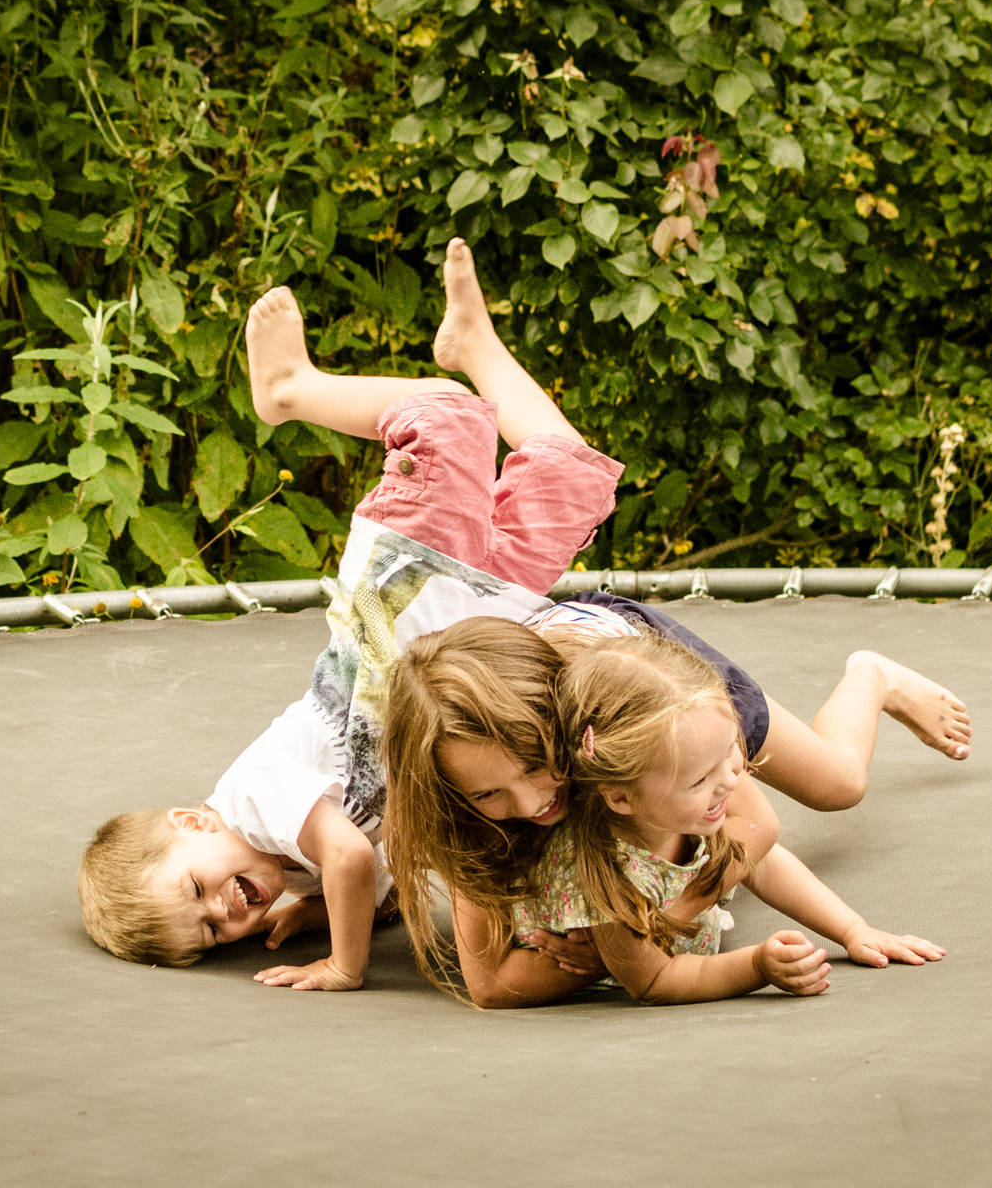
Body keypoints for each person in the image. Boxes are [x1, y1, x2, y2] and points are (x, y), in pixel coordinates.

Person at [78, 238, 625, 989]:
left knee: (448, 416)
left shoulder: (253, 797)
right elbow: (386, 869)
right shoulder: (289, 867)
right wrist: (327, 908)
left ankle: (289, 388)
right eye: (212, 935)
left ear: (192, 824)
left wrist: (343, 959)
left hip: (406, 589)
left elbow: (354, 855)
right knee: (570, 476)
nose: (227, 913)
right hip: (476, 624)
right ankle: (475, 342)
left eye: (197, 890)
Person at [383, 608, 971, 1007]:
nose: (535, 802)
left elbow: (757, 827)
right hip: (548, 686)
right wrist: (608, 955)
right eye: (489, 794)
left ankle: (872, 677)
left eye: (538, 766)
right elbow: (490, 986)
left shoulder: (637, 718)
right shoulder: (453, 788)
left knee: (838, 783)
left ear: (565, 737)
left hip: (635, 662)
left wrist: (654, 925)